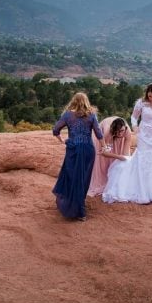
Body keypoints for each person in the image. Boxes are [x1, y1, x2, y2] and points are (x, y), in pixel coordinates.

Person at [103, 83, 152, 205]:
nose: (151, 98)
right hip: (144, 136)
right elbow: (133, 117)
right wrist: (135, 127)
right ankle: (143, 192)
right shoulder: (141, 103)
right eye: (149, 96)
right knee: (144, 161)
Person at [51, 92, 103, 220]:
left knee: (71, 176)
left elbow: (55, 130)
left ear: (73, 101)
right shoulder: (91, 115)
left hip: (73, 149)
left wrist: (61, 140)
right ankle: (80, 208)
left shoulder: (68, 115)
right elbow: (99, 134)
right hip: (87, 150)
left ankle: (72, 205)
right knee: (83, 178)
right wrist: (104, 146)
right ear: (86, 101)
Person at [87, 116, 131, 197]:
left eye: (122, 131)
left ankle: (117, 181)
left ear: (125, 128)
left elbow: (125, 155)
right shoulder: (108, 132)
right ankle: (104, 180)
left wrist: (124, 161)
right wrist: (118, 156)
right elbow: (104, 153)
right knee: (103, 162)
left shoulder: (127, 131)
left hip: (114, 132)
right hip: (102, 138)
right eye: (118, 131)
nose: (121, 133)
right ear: (114, 130)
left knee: (122, 160)